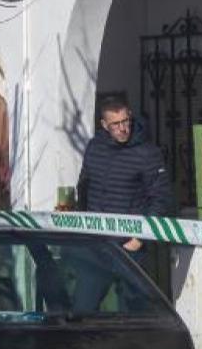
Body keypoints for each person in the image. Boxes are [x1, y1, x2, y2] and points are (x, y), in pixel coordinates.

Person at [72, 97, 174, 311]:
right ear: (104, 125)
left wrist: (139, 239)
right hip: (96, 245)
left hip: (130, 248)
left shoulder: (147, 153)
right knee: (82, 310)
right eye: (115, 124)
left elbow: (161, 198)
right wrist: (82, 228)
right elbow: (84, 186)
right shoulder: (94, 147)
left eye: (125, 121)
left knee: (132, 314)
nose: (123, 129)